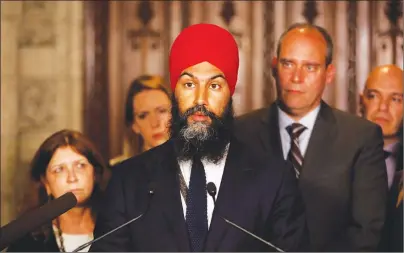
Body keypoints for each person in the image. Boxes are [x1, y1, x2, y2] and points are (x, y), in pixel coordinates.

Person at [90, 23, 308, 252]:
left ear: (230, 94)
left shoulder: (273, 179)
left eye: (214, 85)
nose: (200, 99)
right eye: (189, 84)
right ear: (174, 91)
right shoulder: (128, 181)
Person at [235, 23, 388, 251]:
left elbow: (366, 233)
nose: (296, 78)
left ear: (329, 74)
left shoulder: (360, 138)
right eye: (288, 64)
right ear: (275, 67)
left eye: (310, 67)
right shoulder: (239, 133)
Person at [7, 130, 109, 252]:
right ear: (45, 182)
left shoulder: (119, 224)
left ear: (95, 174)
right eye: (59, 169)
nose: (72, 178)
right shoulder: (27, 238)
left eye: (80, 166)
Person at [360, 64, 403, 252]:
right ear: (362, 100)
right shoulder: (333, 156)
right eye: (374, 96)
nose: (383, 107)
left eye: (395, 99)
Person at [110, 75, 172, 165]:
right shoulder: (119, 171)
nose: (155, 123)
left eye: (162, 111)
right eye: (143, 116)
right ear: (134, 125)